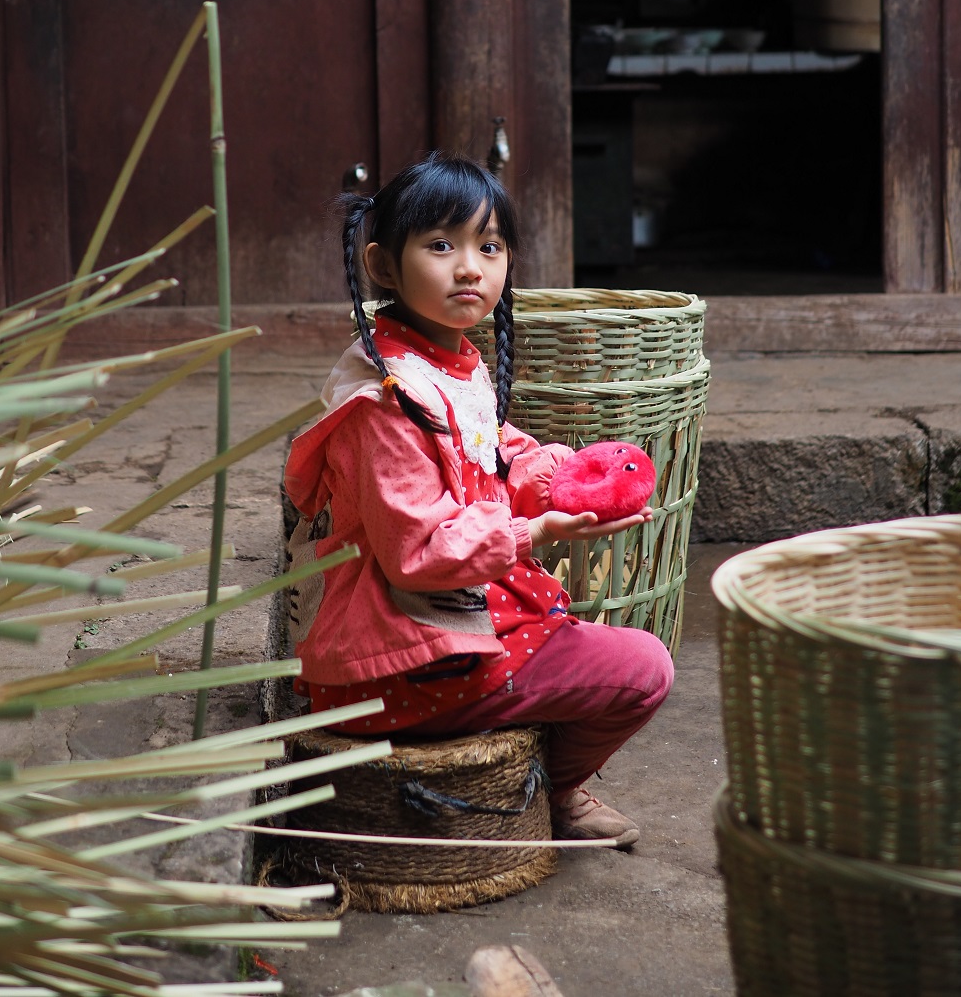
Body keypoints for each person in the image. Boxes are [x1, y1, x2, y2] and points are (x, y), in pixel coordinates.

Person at [282, 152, 674, 850]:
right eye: (442, 245)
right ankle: (558, 792)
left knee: (584, 642)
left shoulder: (443, 359)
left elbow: (495, 450)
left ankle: (542, 770)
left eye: (489, 246)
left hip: (432, 633)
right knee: (645, 669)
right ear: (382, 266)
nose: (471, 268)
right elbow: (418, 553)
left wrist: (562, 478)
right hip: (400, 665)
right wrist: (535, 532)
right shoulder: (388, 400)